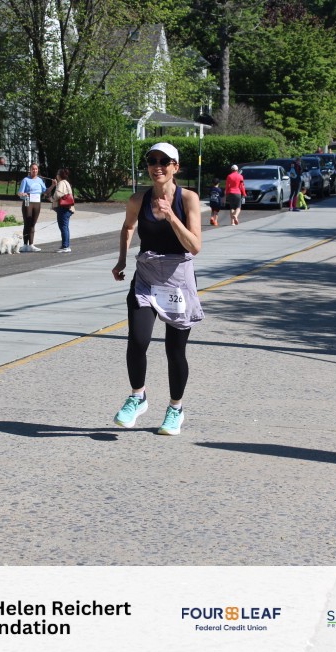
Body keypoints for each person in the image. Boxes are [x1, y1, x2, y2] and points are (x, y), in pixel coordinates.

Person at [111, 142, 203, 436]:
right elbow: (128, 227)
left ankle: (176, 408)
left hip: (177, 280)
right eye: (152, 160)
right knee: (138, 341)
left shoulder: (188, 199)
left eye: (164, 161)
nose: (157, 166)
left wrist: (171, 216)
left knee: (174, 351)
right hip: (146, 277)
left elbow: (195, 246)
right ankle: (137, 397)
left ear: (176, 167)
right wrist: (122, 260)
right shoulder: (138, 199)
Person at [18, 163, 47, 251]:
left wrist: (53, 185)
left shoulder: (40, 180)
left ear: (38, 170)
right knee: (27, 222)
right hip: (28, 202)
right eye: (33, 169)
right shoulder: (26, 180)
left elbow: (45, 191)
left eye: (36, 169)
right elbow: (19, 193)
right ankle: (25, 245)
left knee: (33, 224)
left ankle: (31, 245)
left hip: (37, 203)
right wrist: (23, 194)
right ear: (30, 170)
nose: (34, 170)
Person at [48, 167, 75, 253]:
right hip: (68, 208)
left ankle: (65, 246)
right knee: (65, 227)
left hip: (63, 208)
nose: (56, 175)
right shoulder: (66, 182)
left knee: (63, 227)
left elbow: (57, 195)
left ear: (59, 175)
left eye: (57, 174)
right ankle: (65, 245)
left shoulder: (61, 183)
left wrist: (51, 199)